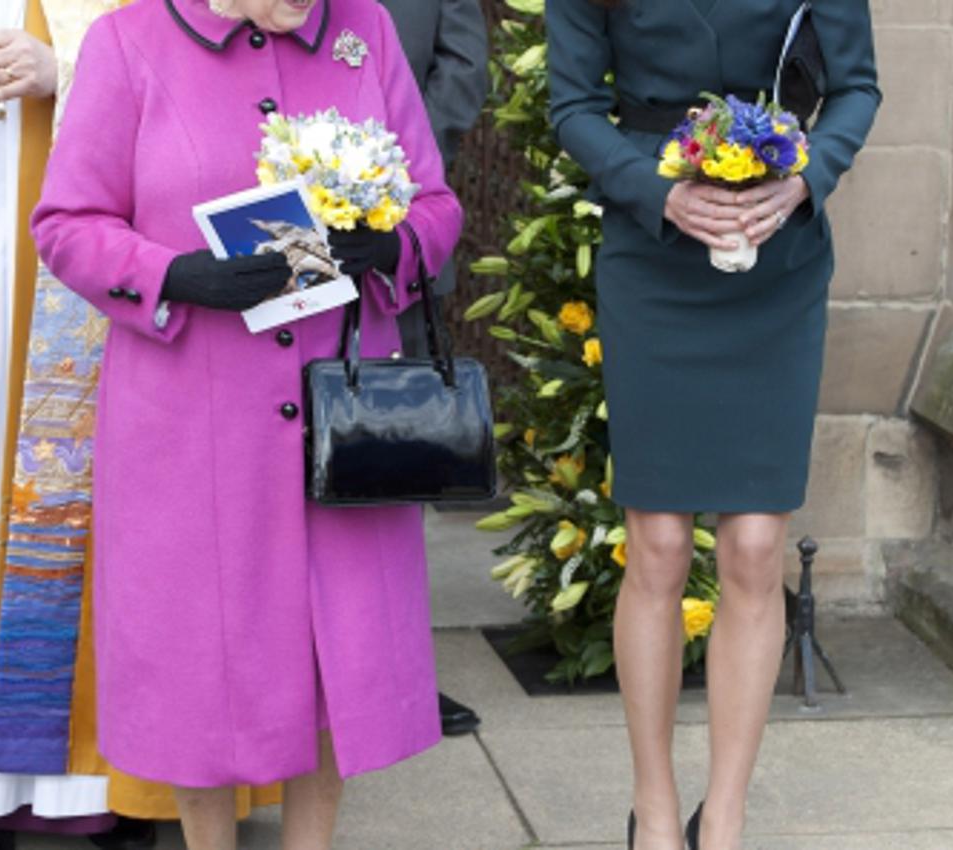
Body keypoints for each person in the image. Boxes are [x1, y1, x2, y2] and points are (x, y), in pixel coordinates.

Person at [28, 0, 462, 846]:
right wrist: (175, 276)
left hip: (342, 406)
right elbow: (67, 225)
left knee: (335, 657)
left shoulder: (362, 28)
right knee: (200, 667)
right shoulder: (130, 40)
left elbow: (435, 203)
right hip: (191, 421)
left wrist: (395, 246)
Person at [0, 2, 279, 847]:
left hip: (78, 203)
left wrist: (71, 73)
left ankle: (93, 780)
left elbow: (197, 44)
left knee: (98, 481)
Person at [546, 2, 880, 849]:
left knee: (758, 549)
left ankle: (723, 817)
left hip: (779, 258)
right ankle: (655, 812)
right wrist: (659, 196)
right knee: (655, 543)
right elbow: (575, 106)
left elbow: (856, 90)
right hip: (653, 255)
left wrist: (806, 180)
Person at [377, 0, 490, 737]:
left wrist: (396, 168)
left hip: (397, 234)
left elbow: (464, 67)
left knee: (387, 466)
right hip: (281, 242)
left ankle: (400, 675)